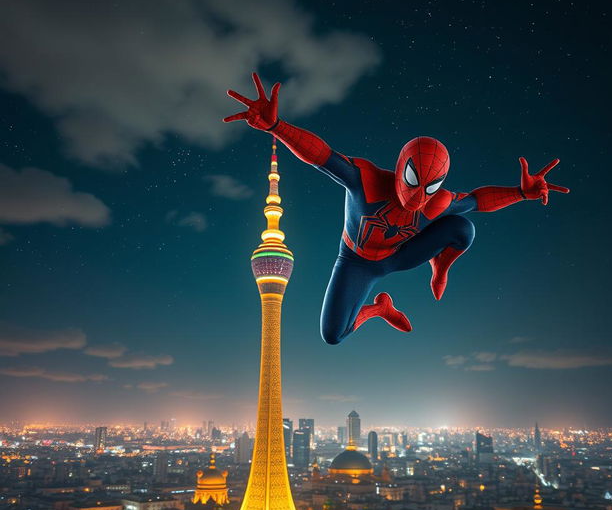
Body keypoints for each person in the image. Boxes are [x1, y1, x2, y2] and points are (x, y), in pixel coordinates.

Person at [224, 73, 569, 344]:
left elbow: (479, 201)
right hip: (355, 261)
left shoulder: (440, 202)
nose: (419, 195)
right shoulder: (367, 180)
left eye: (429, 186)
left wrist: (521, 193)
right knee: (333, 335)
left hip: (399, 255)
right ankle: (378, 309)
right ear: (400, 166)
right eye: (412, 179)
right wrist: (276, 126)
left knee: (463, 229)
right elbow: (320, 155)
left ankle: (439, 264)